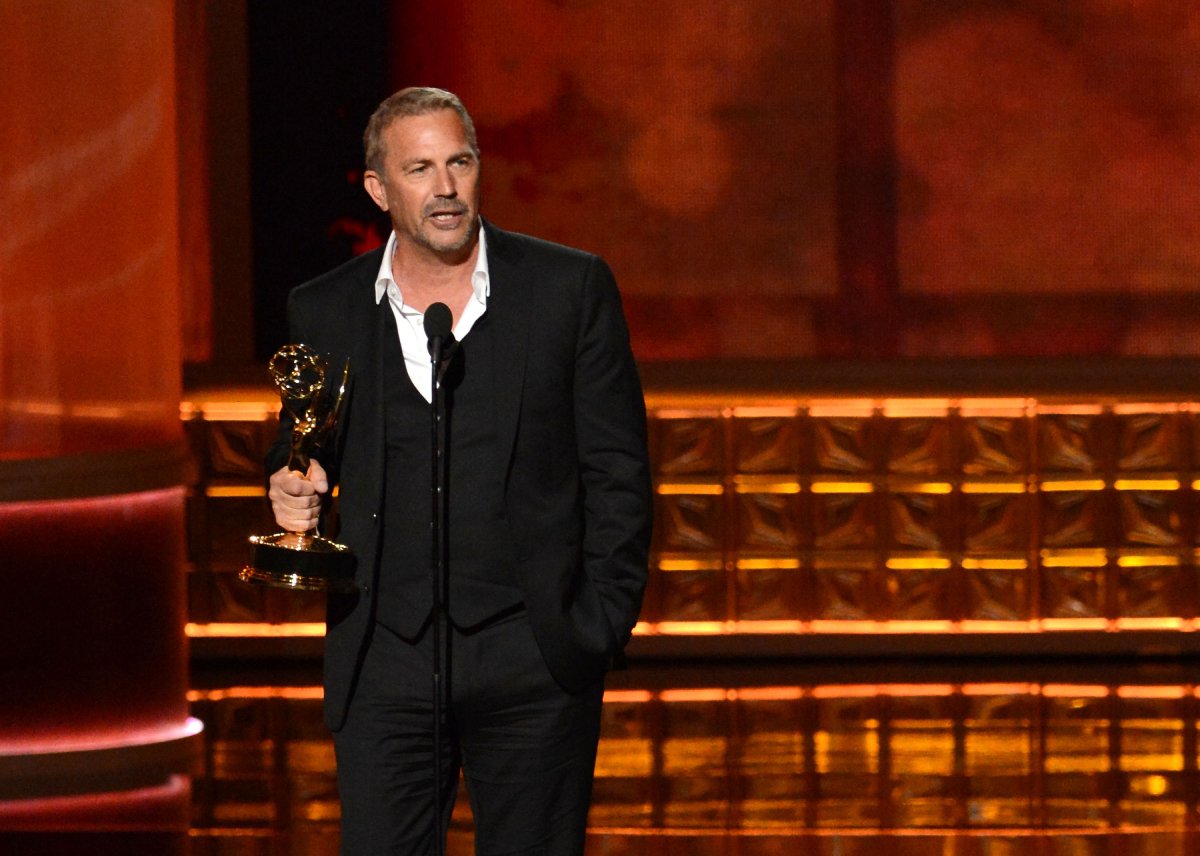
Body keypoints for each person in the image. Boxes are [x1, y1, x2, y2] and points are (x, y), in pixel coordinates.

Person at [265, 86, 652, 855]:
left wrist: (593, 626)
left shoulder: (567, 290)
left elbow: (619, 472)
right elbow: (303, 445)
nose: (445, 188)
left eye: (459, 162)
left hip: (534, 661)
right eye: (419, 169)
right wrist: (287, 485)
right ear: (379, 189)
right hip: (385, 660)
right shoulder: (327, 309)